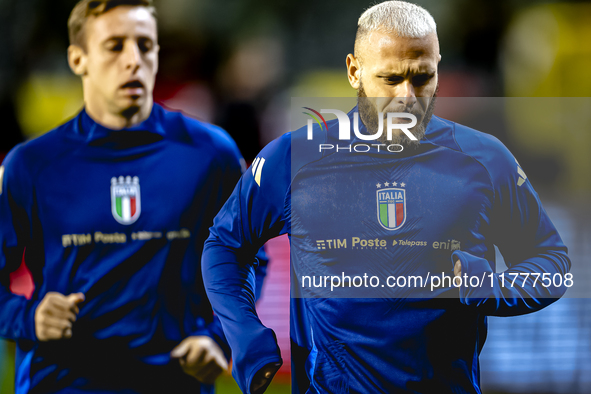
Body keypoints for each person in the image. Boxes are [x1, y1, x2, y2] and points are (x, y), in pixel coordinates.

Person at [201, 1, 571, 393]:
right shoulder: (294, 159)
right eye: (391, 80)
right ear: (354, 71)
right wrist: (245, 337)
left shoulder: (484, 159)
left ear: (438, 67)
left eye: (422, 77)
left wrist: (494, 287)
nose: (408, 98)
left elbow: (552, 263)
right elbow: (225, 244)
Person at [0, 0, 266, 392]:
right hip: (61, 382)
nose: (133, 60)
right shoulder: (32, 165)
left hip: (174, 382)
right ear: (78, 59)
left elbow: (247, 258)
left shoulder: (211, 154)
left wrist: (218, 335)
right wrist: (27, 317)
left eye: (145, 45)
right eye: (114, 46)